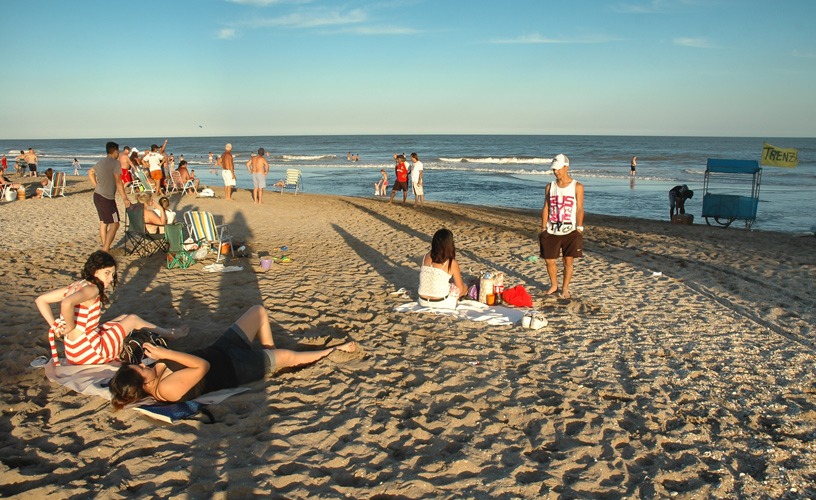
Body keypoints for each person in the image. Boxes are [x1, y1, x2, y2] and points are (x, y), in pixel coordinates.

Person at [108, 305, 357, 408]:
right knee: (290, 357)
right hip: (235, 367)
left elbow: (159, 362)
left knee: (258, 311)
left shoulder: (153, 377)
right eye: (141, 369)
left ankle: (269, 353)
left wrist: (158, 355)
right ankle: (333, 350)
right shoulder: (167, 391)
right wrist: (166, 354)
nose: (142, 365)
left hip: (221, 349)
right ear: (145, 384)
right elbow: (201, 367)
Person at [35, 250, 186, 366]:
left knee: (123, 317)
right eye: (106, 273)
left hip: (73, 352)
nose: (110, 279)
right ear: (94, 271)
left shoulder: (76, 286)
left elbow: (41, 300)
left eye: (112, 275)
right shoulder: (92, 289)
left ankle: (165, 332)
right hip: (90, 352)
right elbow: (66, 303)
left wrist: (54, 326)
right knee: (132, 319)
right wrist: (69, 326)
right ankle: (169, 334)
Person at [540, 154, 584, 299]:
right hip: (551, 229)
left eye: (558, 169)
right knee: (549, 260)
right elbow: (546, 207)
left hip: (570, 230)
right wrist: (543, 227)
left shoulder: (577, 186)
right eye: (554, 169)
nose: (556, 172)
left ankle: (565, 288)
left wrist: (579, 227)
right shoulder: (550, 187)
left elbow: (579, 208)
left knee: (568, 260)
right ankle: (554, 285)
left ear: (566, 167)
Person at [89, 141, 131, 252]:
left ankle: (105, 245)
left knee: (104, 222)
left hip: (97, 196)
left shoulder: (101, 162)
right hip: (106, 198)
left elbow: (90, 172)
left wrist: (96, 186)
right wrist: (125, 198)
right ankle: (106, 248)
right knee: (115, 223)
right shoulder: (115, 163)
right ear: (115, 151)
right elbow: (118, 182)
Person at [418, 228, 467, 310]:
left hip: (422, 301)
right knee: (464, 287)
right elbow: (460, 288)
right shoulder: (451, 262)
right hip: (441, 303)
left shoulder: (426, 256)